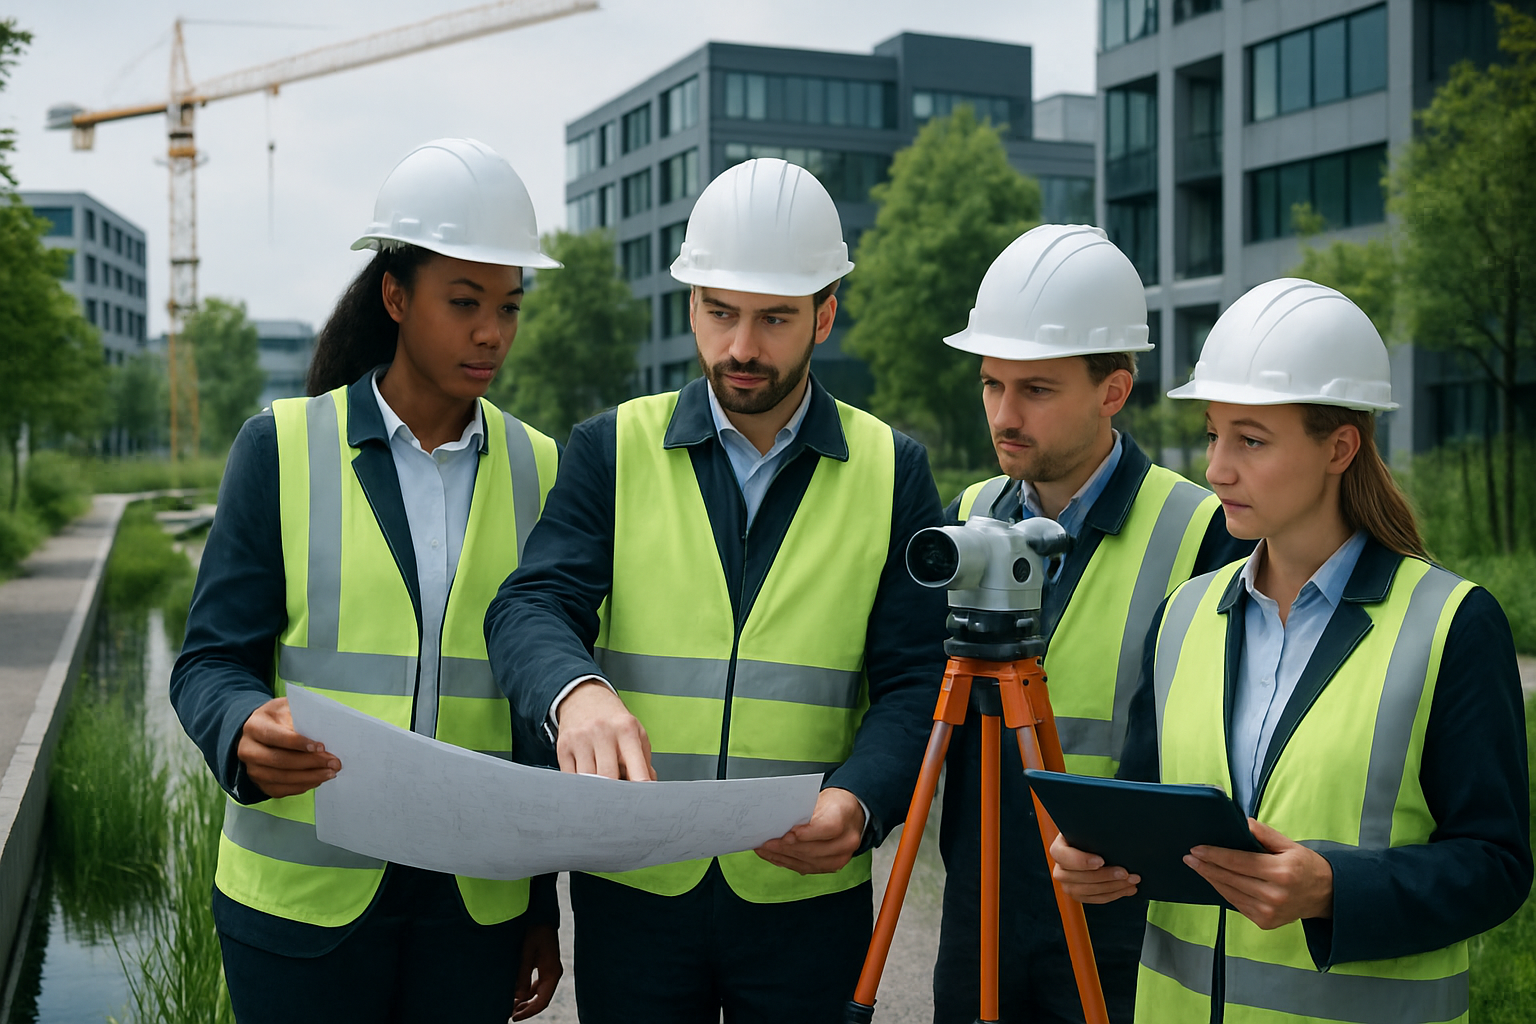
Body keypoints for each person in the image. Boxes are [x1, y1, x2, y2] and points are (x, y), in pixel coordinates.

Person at [484, 156, 949, 1023]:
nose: (741, 347)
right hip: (634, 893)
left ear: (827, 312)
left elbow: (918, 679)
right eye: (719, 312)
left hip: (807, 900)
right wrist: (573, 693)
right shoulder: (611, 449)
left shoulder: (894, 471)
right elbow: (528, 607)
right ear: (690, 303)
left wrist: (863, 801)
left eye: (774, 318)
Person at [1052, 278, 1533, 1024]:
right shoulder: (1183, 615)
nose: (1216, 469)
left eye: (1251, 439)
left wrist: (1336, 889)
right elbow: (1147, 814)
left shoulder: (1452, 624)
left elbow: (1496, 868)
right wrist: (1096, 860)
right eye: (1214, 435)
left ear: (1340, 447)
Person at [169, 138, 566, 1023]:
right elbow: (207, 664)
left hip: (472, 907)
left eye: (508, 305)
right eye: (463, 303)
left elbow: (531, 724)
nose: (491, 332)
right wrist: (240, 725)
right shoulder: (280, 448)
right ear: (396, 295)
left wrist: (539, 907)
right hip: (299, 910)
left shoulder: (541, 468)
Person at [931, 224, 1252, 1024]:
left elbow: (1216, 743)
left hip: (1118, 919)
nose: (1004, 414)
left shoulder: (1200, 529)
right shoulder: (966, 517)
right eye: (991, 384)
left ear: (1113, 390)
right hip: (980, 909)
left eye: (1036, 390)